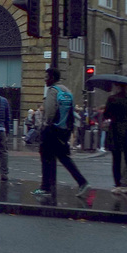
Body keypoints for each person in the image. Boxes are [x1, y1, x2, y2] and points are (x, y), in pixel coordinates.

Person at [32, 68, 90, 197]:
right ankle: (78, 182)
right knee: (63, 158)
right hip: (64, 130)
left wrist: (45, 126)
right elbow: (72, 111)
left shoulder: (52, 91)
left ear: (52, 78)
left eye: (46, 77)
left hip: (51, 130)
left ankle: (46, 187)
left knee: (46, 157)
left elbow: (50, 112)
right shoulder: (66, 90)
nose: (45, 79)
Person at [103, 81, 127, 195]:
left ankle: (118, 185)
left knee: (117, 159)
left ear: (117, 86)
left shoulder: (112, 99)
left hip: (116, 129)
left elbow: (107, 115)